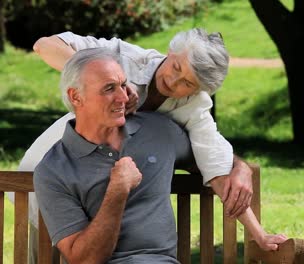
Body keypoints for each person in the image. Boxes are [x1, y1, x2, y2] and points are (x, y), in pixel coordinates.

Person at [34, 48, 287, 263]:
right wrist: (118, 191)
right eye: (109, 88)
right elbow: (86, 259)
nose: (124, 97)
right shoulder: (54, 170)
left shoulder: (158, 131)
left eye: (124, 84)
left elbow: (210, 160)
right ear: (75, 96)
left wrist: (239, 166)